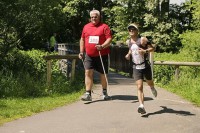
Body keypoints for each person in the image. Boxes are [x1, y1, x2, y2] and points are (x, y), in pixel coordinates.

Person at [79, 10, 112, 101]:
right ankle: (88, 94)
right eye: (92, 17)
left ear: (99, 17)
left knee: (103, 73)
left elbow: (109, 39)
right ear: (90, 18)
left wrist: (102, 46)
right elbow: (82, 39)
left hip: (102, 54)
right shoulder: (86, 27)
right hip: (89, 55)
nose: (94, 18)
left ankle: (104, 92)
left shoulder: (104, 27)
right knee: (88, 72)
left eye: (96, 17)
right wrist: (81, 52)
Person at [125, 23, 157, 114]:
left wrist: (145, 51)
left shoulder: (142, 39)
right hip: (136, 67)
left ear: (137, 31)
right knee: (139, 86)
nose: (131, 31)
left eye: (133, 29)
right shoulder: (128, 42)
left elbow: (152, 48)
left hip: (145, 66)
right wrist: (128, 54)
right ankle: (141, 106)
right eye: (129, 29)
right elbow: (131, 49)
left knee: (149, 81)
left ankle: (152, 88)